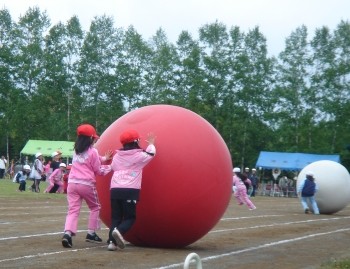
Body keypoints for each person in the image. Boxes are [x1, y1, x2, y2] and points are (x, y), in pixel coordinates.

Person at [61, 124, 112, 248]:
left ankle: (67, 233)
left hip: (72, 184)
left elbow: (93, 158)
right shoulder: (93, 151)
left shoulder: (76, 150)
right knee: (95, 207)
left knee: (73, 210)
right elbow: (98, 170)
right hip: (86, 184)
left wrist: (104, 158)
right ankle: (91, 233)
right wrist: (111, 166)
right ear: (90, 138)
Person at [107, 130, 156, 251]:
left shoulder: (117, 155)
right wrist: (151, 143)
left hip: (115, 189)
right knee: (130, 218)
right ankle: (119, 231)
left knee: (116, 218)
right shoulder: (139, 155)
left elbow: (113, 167)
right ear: (136, 141)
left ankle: (112, 244)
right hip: (130, 190)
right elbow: (152, 153)